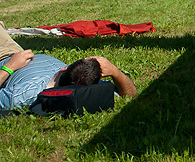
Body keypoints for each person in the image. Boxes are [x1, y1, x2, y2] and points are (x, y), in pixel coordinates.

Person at [0, 21, 137, 111]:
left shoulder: (27, 92)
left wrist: (10, 67)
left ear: (64, 68)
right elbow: (130, 95)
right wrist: (115, 72)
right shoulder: (82, 80)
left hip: (5, 60)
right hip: (16, 52)